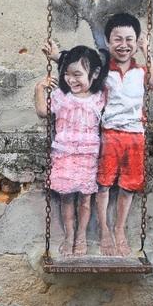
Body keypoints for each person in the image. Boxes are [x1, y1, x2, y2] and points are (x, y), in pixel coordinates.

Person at [95, 12, 153, 255]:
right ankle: (104, 231)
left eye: (129, 40)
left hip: (135, 136)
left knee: (128, 186)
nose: (123, 45)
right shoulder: (102, 72)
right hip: (110, 134)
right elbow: (76, 67)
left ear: (137, 42)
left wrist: (147, 51)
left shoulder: (141, 71)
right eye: (118, 39)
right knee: (103, 184)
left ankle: (119, 229)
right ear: (108, 41)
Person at [34, 45, 108, 256]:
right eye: (66, 74)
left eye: (77, 75)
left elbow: (105, 73)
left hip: (87, 154)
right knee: (67, 198)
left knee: (85, 199)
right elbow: (42, 112)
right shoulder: (61, 96)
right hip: (64, 154)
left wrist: (60, 57)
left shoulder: (99, 97)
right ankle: (69, 236)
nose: (71, 79)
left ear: (94, 74)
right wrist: (39, 88)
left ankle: (81, 236)